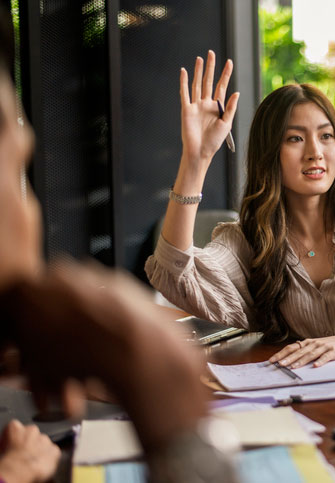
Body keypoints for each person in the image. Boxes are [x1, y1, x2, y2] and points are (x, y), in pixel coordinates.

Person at [0, 21, 238, 480]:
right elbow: (176, 272)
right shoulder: (242, 239)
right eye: (15, 172)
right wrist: (177, 431)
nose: (32, 211)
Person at [145, 52, 335, 367]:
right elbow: (174, 273)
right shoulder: (247, 240)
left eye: (326, 136)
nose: (315, 152)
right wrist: (196, 158)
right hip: (296, 404)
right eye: (295, 138)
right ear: (270, 154)